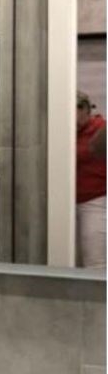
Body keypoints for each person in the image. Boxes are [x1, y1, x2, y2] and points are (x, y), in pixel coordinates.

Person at [76, 91, 106, 268]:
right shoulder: (61, 132)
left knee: (95, 261)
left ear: (86, 110)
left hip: (95, 201)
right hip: (65, 202)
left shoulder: (101, 129)